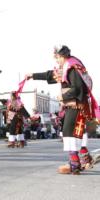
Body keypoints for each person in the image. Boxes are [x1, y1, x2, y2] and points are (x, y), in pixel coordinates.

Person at [26, 45, 96, 175]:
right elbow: (51, 75)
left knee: (69, 132)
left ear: (62, 56)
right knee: (73, 132)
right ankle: (82, 160)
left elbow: (78, 88)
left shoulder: (72, 68)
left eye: (57, 58)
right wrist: (33, 75)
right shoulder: (68, 67)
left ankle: (75, 164)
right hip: (74, 105)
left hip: (77, 105)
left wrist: (63, 96)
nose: (56, 61)